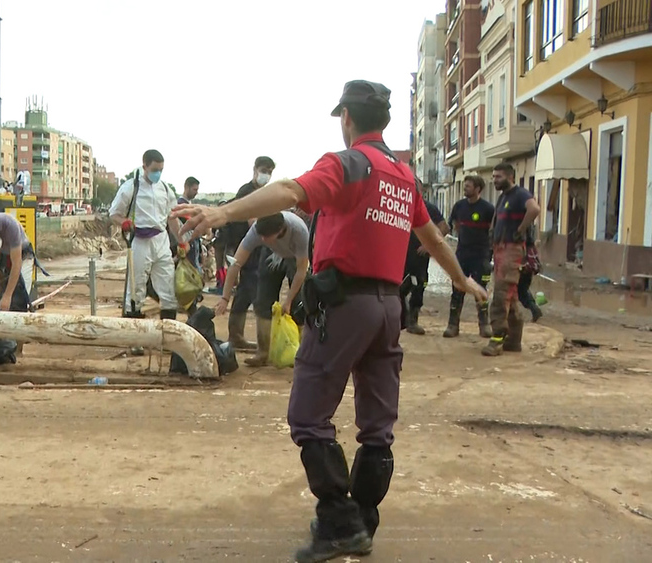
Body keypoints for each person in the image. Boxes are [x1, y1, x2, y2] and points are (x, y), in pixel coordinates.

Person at [173, 79, 487, 562]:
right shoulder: (404, 176)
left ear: (347, 118)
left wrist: (221, 212)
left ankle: (339, 521)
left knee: (307, 415)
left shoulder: (347, 163)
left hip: (345, 307)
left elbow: (286, 190)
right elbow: (433, 240)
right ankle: (361, 520)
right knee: (377, 428)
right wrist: (463, 281)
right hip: (389, 310)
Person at [215, 211, 310, 367]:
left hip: (295, 256)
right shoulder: (257, 233)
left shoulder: (299, 232)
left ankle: (297, 352)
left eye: (266, 237)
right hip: (271, 253)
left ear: (280, 230)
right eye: (261, 237)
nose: (262, 239)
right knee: (262, 300)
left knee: (298, 304)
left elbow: (301, 271)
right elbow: (235, 264)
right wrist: (225, 297)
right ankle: (263, 352)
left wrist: (288, 300)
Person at [109, 149, 184, 323]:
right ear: (145, 166)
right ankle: (135, 337)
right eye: (155, 169)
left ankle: (168, 334)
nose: (158, 173)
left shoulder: (165, 189)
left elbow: (172, 218)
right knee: (136, 289)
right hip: (139, 241)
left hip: (161, 240)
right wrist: (124, 222)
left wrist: (181, 241)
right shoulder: (130, 187)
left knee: (168, 287)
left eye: (161, 170)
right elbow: (114, 214)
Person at [483, 162, 541, 356]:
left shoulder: (521, 194)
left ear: (510, 177)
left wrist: (521, 229)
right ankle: (514, 340)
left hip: (512, 250)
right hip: (501, 249)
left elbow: (534, 209)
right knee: (512, 296)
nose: (495, 180)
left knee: (501, 294)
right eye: (493, 176)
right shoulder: (503, 198)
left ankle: (497, 339)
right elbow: (496, 221)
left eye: (498, 177)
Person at [225, 156, 278, 351]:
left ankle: (236, 336)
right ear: (255, 169)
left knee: (246, 292)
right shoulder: (247, 192)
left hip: (257, 248)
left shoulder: (263, 193)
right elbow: (253, 222)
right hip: (248, 248)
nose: (266, 175)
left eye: (270, 172)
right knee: (254, 292)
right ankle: (241, 338)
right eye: (264, 170)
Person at [443, 175, 496, 338]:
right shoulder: (459, 206)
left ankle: (484, 325)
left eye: (468, 186)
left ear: (478, 189)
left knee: (480, 289)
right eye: (465, 186)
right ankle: (453, 325)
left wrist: (490, 254)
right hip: (462, 254)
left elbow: (493, 232)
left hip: (481, 255)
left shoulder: (488, 209)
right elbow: (454, 226)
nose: (465, 189)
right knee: (457, 288)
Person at [399, 180, 449, 335]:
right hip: (400, 256)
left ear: (421, 189)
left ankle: (413, 321)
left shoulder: (428, 208)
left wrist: (429, 245)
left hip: (419, 258)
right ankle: (400, 320)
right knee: (396, 289)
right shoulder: (399, 204)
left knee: (419, 286)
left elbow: (444, 227)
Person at [177, 176, 205, 271]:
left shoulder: (190, 205)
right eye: (194, 189)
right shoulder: (180, 205)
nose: (196, 192)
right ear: (186, 187)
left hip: (194, 244)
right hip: (186, 244)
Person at [518, 227, 544, 322]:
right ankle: (534, 309)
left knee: (520, 292)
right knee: (523, 291)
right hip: (528, 269)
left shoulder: (521, 242)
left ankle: (534, 309)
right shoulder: (530, 244)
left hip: (522, 269)